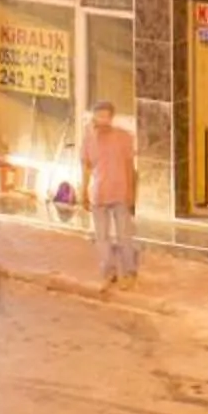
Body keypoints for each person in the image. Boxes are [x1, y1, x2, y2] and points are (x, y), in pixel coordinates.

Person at [78, 98, 139, 287]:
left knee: (118, 236)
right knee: (106, 236)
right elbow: (86, 169)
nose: (101, 120)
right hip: (102, 193)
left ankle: (124, 272)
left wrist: (132, 193)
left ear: (111, 117)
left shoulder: (122, 137)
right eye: (99, 116)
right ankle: (113, 272)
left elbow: (131, 168)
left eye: (105, 116)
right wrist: (84, 193)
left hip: (117, 192)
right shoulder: (90, 140)